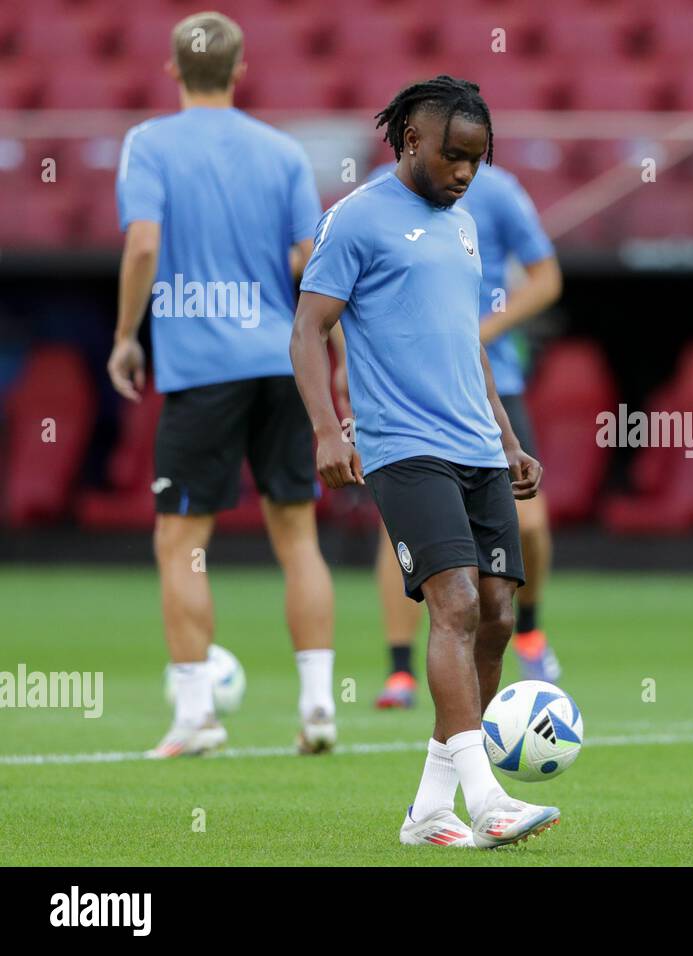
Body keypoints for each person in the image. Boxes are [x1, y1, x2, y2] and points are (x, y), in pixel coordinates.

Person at [290, 76, 560, 849]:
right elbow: (308, 332)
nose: (465, 174)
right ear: (411, 141)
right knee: (455, 604)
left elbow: (465, 343)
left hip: (479, 445)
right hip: (404, 448)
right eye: (454, 157)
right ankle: (487, 800)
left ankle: (427, 810)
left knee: (499, 617)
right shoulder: (355, 219)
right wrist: (326, 433)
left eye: (477, 160)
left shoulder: (466, 225)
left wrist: (508, 440)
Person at [109, 11, 338, 758]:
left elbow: (143, 243)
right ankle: (317, 710)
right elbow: (311, 261)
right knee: (297, 534)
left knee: (182, 540)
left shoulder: (149, 144)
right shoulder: (281, 152)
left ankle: (196, 715)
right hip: (280, 361)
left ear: (173, 70)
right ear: (240, 72)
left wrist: (124, 336)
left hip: (203, 371)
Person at [352, 157, 562, 708]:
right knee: (397, 530)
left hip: (490, 383)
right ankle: (399, 669)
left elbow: (546, 278)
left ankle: (531, 629)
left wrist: (479, 329)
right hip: (411, 390)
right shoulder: (378, 196)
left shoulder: (498, 192)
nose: (463, 161)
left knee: (530, 520)